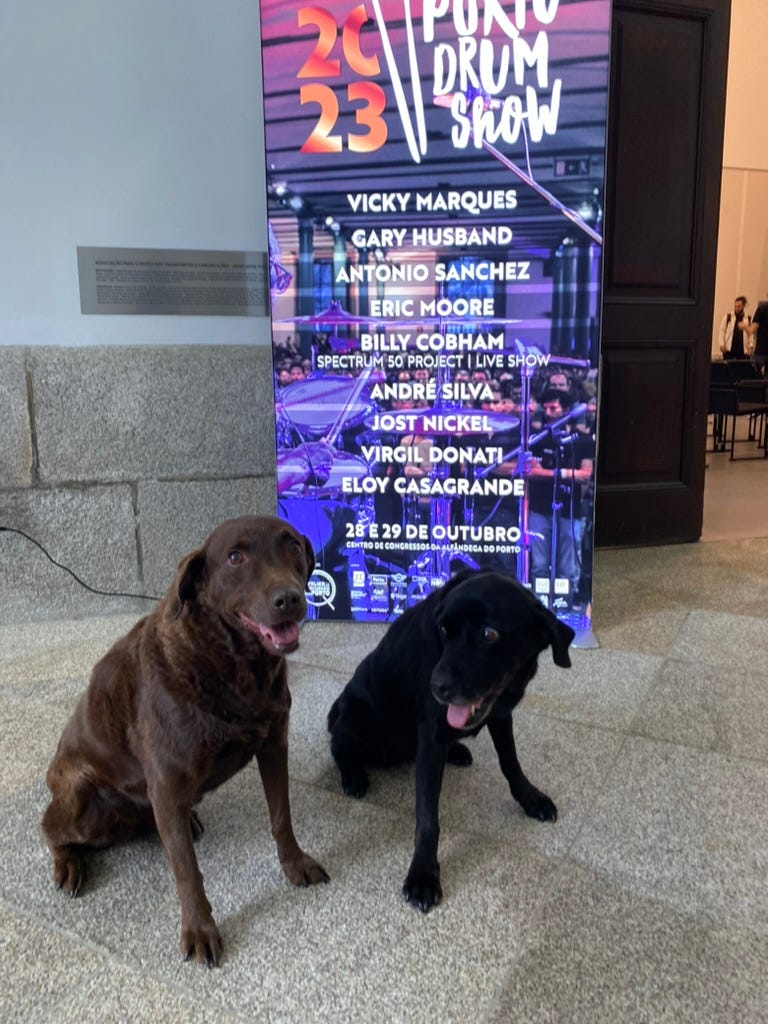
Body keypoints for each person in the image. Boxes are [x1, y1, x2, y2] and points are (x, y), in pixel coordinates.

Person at [526, 389, 594, 604]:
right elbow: (532, 471)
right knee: (539, 563)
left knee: (568, 563)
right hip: (539, 508)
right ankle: (541, 601)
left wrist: (554, 474)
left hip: (569, 509)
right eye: (545, 408)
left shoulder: (582, 440)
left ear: (565, 410)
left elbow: (586, 475)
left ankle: (565, 601)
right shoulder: (536, 439)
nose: (548, 412)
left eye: (553, 408)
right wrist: (566, 473)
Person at [718, 296, 752, 360]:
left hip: (742, 350)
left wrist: (751, 346)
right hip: (729, 349)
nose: (736, 308)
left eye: (739, 306)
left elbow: (751, 335)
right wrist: (721, 344)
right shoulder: (728, 317)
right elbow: (722, 331)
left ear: (743, 306)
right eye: (735, 306)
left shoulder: (748, 319)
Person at [746, 293, 768, 374]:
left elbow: (752, 329)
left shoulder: (762, 308)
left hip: (761, 350)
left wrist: (744, 327)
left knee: (752, 375)